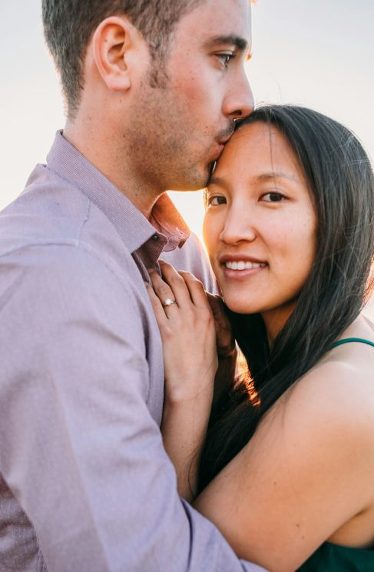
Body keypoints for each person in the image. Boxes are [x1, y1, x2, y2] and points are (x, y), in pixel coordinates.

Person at [0, 1, 262, 569]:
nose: (245, 98)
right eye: (223, 57)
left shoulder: (184, 248)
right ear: (119, 56)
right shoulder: (56, 274)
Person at [146, 105, 374, 572]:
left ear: (337, 216)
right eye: (217, 199)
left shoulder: (336, 400)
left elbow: (171, 564)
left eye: (272, 196)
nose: (231, 231)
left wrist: (189, 394)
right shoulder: (329, 346)